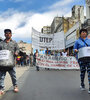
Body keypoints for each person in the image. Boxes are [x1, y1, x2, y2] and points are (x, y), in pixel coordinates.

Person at [0, 29, 19, 95]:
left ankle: (15, 86)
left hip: (11, 63)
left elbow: (17, 49)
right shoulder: (1, 43)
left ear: (11, 34)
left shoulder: (14, 43)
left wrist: (16, 52)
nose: (7, 34)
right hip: (2, 63)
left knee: (13, 76)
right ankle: (2, 88)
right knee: (1, 77)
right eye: (6, 33)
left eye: (8, 33)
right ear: (4, 34)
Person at [74, 28, 90, 94]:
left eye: (85, 32)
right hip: (81, 59)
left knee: (89, 72)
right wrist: (75, 50)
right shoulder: (77, 41)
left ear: (86, 33)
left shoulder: (89, 40)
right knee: (82, 72)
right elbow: (74, 49)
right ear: (80, 33)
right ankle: (82, 84)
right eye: (82, 32)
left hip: (89, 58)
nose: (84, 33)